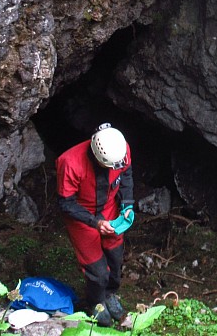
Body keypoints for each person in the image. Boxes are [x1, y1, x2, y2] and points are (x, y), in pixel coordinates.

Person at [56, 123, 134, 327]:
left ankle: (110, 294)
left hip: (109, 207)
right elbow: (66, 202)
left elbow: (126, 175)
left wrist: (127, 204)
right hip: (82, 216)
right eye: (110, 166)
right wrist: (95, 222)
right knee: (98, 272)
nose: (116, 167)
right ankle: (96, 302)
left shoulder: (120, 149)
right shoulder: (70, 163)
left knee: (115, 258)